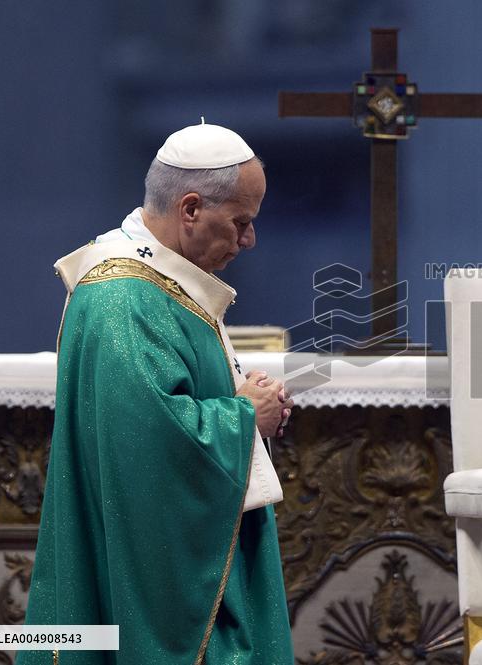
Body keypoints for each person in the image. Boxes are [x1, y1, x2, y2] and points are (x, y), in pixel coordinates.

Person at [18, 122, 295, 664]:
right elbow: (147, 444)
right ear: (190, 208)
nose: (248, 240)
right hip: (161, 576)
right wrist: (243, 417)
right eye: (240, 222)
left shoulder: (162, 278)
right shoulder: (122, 297)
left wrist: (239, 397)